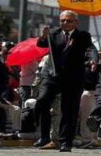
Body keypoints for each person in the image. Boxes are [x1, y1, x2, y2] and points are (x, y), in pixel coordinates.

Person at [34, 10, 96, 152]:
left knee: (69, 110)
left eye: (69, 20)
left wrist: (93, 59)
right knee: (42, 101)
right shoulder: (53, 33)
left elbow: (90, 49)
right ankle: (44, 136)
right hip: (52, 75)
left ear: (76, 22)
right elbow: (41, 44)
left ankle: (65, 141)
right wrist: (44, 36)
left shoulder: (83, 36)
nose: (65, 23)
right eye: (62, 20)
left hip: (72, 78)